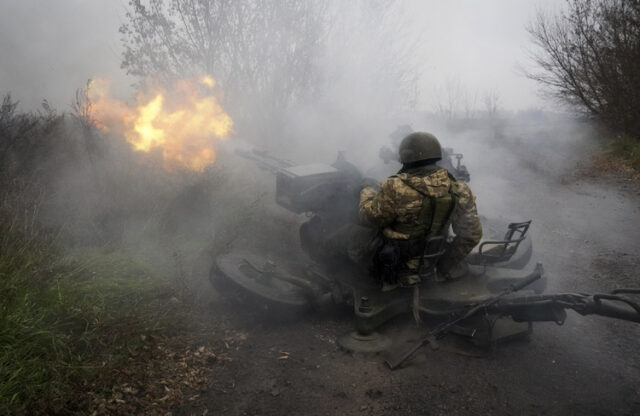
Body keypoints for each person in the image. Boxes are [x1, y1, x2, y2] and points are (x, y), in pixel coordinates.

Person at [359, 132, 482, 289]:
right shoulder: (459, 189)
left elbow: (369, 218)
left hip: (396, 267)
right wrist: (443, 265)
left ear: (405, 157)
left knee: (349, 237)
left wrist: (368, 189)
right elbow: (471, 235)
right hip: (432, 263)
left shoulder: (394, 186)